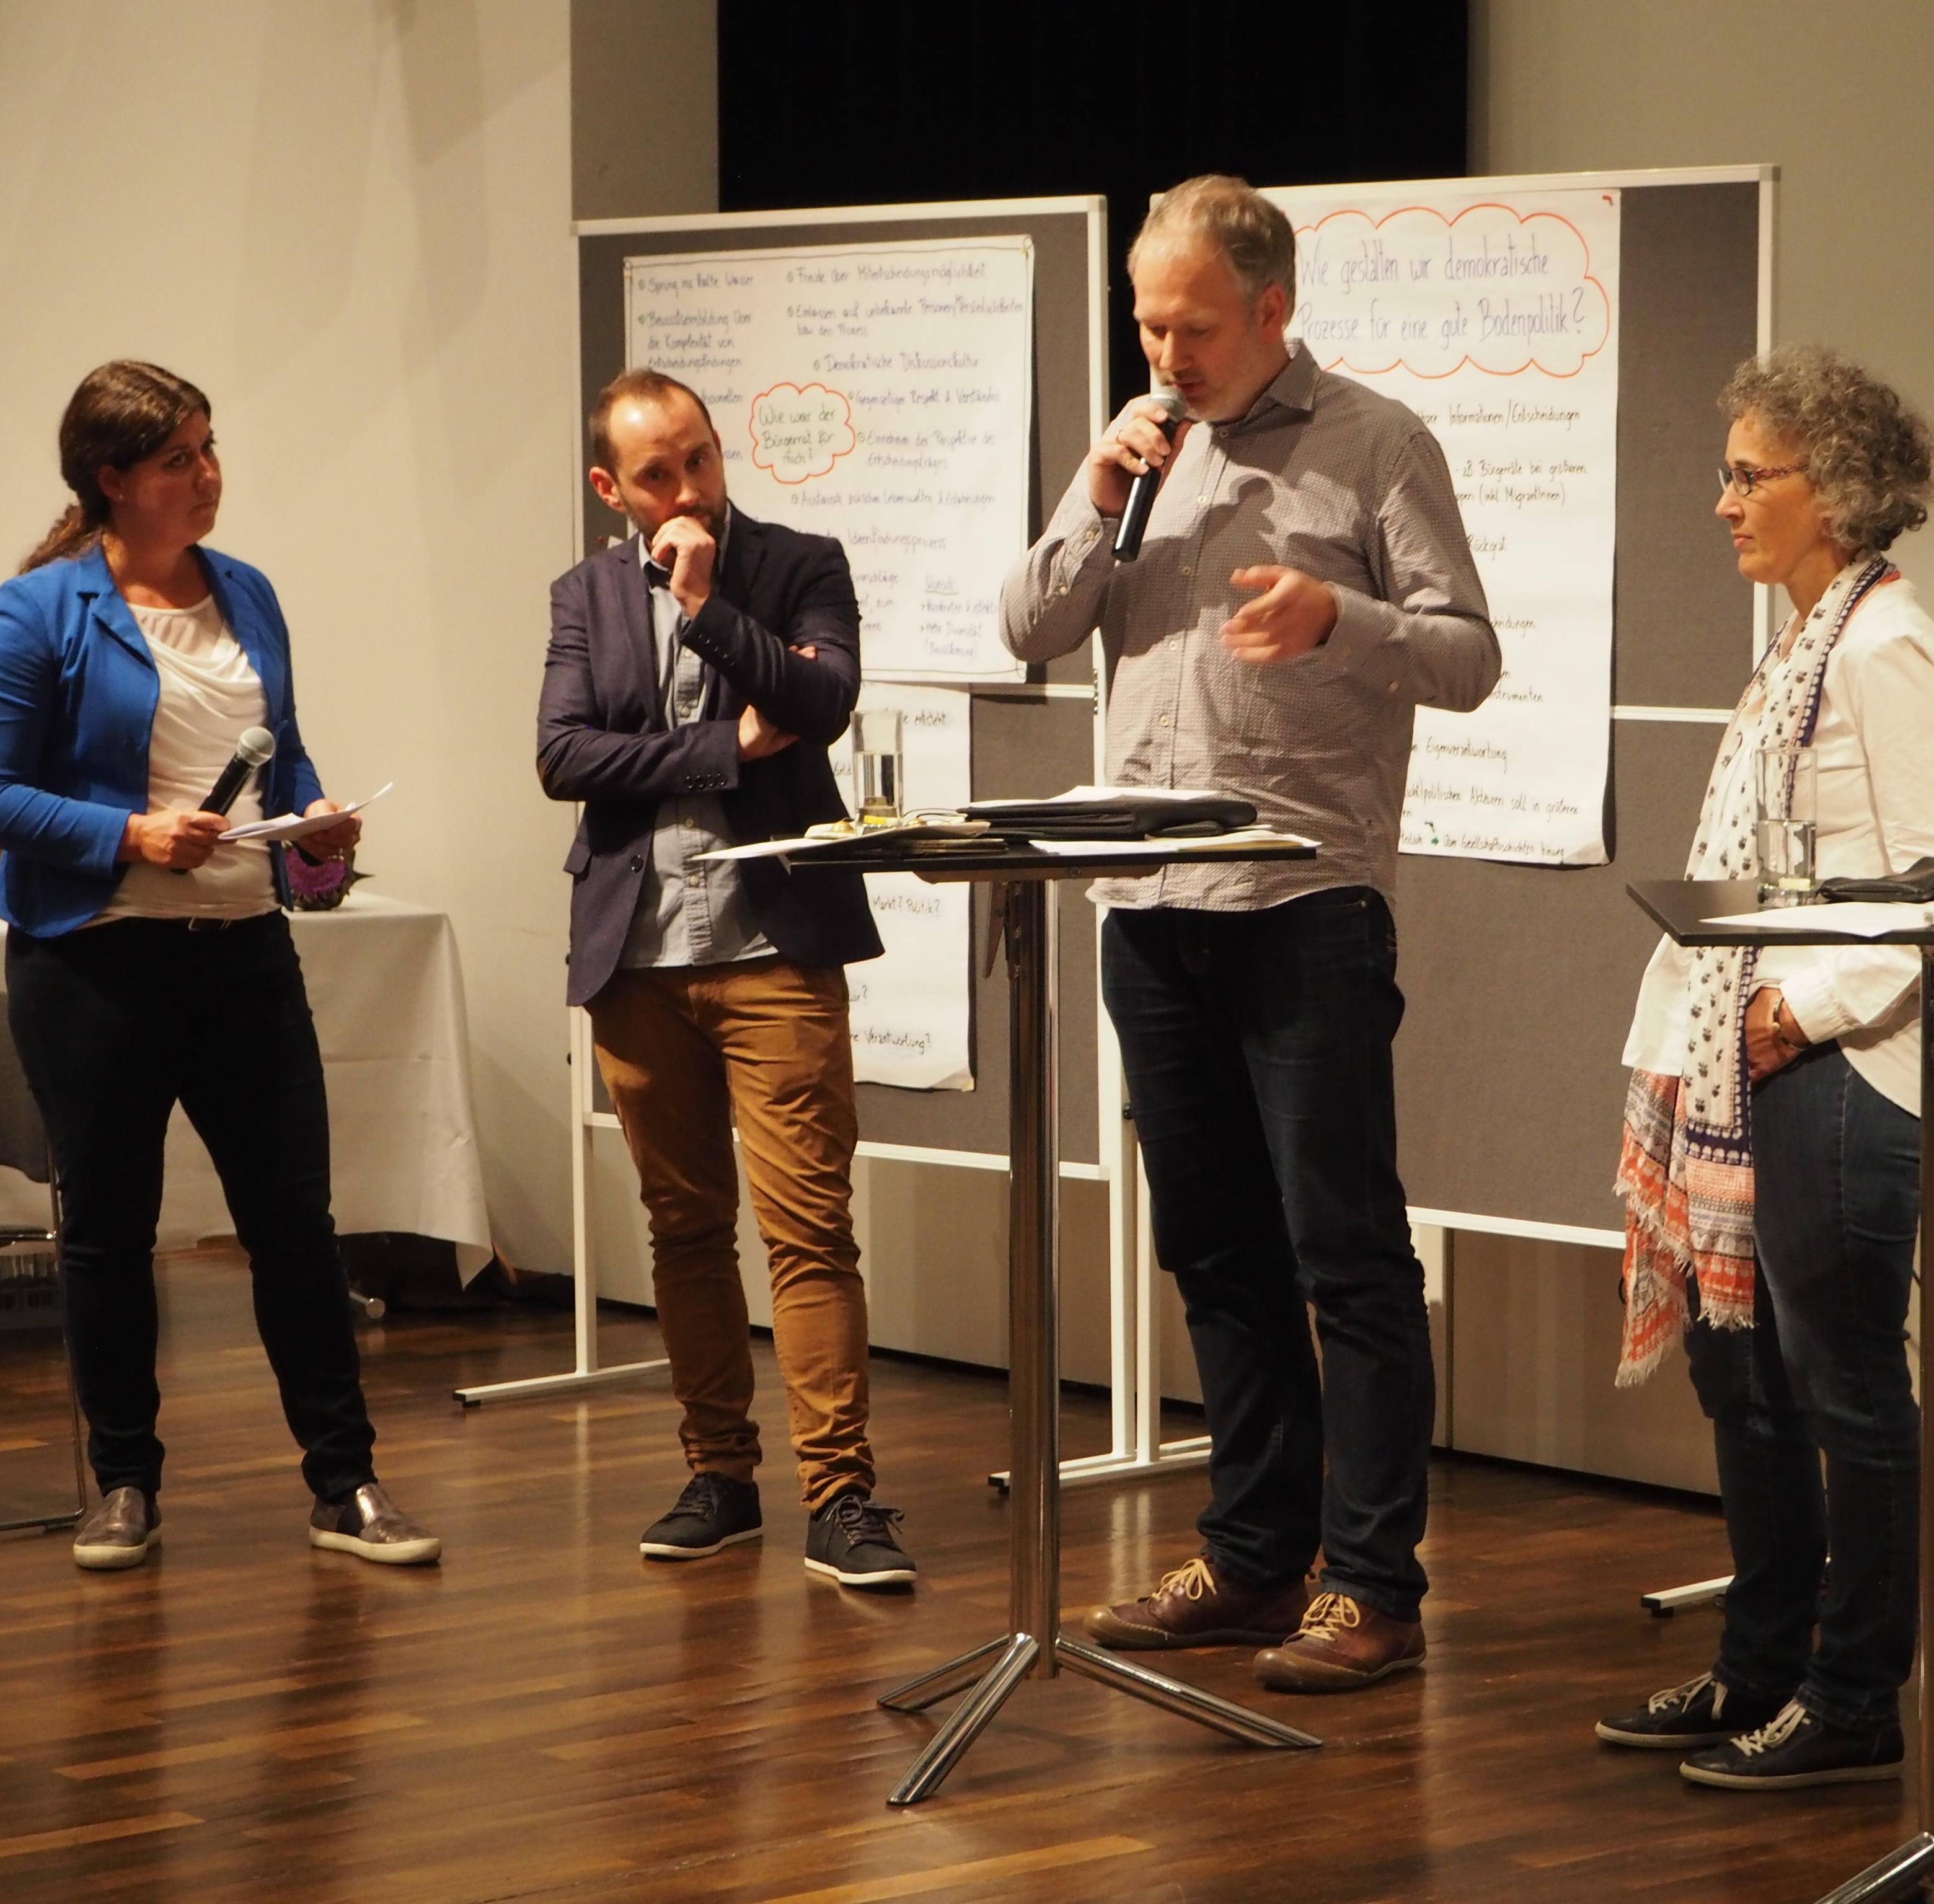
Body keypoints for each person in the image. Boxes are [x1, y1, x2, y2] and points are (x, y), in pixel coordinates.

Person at [998, 176, 1499, 1692]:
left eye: (1193, 327)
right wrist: (1093, 493)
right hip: (1146, 910)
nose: (1166, 354)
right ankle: (1253, 1551)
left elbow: (1467, 655)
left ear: (1271, 310)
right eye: (1148, 325)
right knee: (1211, 1246)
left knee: (1343, 1252)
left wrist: (1340, 619)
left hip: (1300, 906)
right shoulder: (1138, 453)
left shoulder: (1375, 443)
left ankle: (1373, 1586)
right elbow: (1028, 628)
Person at [0, 360, 439, 1572]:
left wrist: (315, 829)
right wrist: (130, 834)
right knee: (110, 1232)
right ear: (113, 480)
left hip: (243, 953)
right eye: (180, 459)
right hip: (95, 966)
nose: (209, 475)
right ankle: (124, 1483)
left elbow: (281, 759)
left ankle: (346, 1483)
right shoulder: (39, 609)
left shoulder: (248, 593)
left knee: (296, 1226)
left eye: (211, 448)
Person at [1599, 346, 1934, 1789]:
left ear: (1830, 487)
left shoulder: (1885, 650)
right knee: (1744, 1383)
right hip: (1746, 1062)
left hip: (1837, 1066)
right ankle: (1757, 1664)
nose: (1720, 502)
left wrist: (1795, 1013)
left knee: (1843, 1389)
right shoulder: (1799, 644)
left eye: (1744, 475)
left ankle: (1853, 1696)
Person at [537, 368, 915, 1592]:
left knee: (809, 1230)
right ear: (611, 488)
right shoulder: (586, 594)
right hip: (638, 955)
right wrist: (720, 746)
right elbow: (563, 755)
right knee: (686, 1229)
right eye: (657, 474)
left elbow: (822, 700)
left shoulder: (797, 565)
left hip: (774, 950)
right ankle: (719, 1477)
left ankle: (840, 1495)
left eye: (699, 457)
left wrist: (706, 607)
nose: (688, 487)